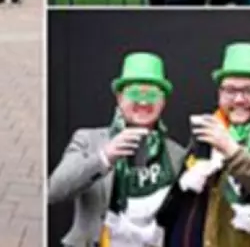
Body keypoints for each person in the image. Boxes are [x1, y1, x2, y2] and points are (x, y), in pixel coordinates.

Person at [157, 42, 250, 247]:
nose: (239, 99)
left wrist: (231, 150)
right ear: (219, 93)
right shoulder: (210, 130)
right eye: (230, 90)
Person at [48, 52, 186, 247]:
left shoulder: (176, 155)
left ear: (162, 102)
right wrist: (105, 156)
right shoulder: (89, 141)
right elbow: (54, 191)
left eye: (153, 94)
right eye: (135, 93)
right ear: (120, 98)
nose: (144, 102)